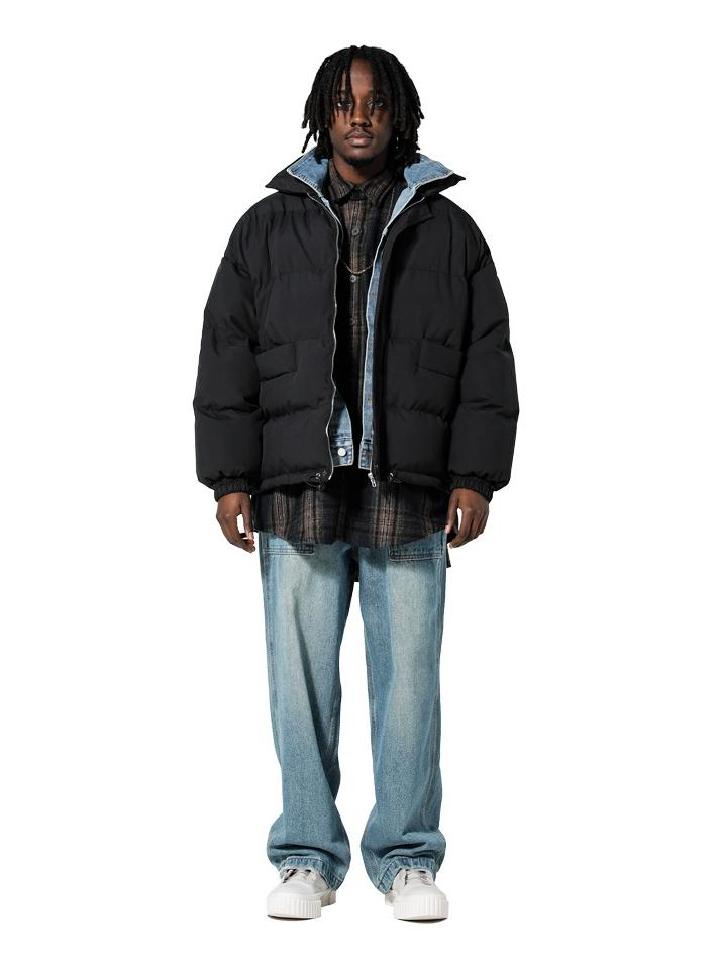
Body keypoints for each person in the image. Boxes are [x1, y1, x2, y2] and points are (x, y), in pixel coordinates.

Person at [193, 44, 519, 921]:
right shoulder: (265, 228)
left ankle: (407, 856)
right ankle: (306, 855)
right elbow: (228, 352)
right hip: (295, 482)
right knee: (297, 683)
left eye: (374, 103)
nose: (360, 117)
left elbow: (486, 356)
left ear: (398, 112)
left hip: (407, 484)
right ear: (322, 114)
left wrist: (476, 477)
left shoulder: (449, 231)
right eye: (344, 103)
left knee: (409, 683)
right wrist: (228, 478)